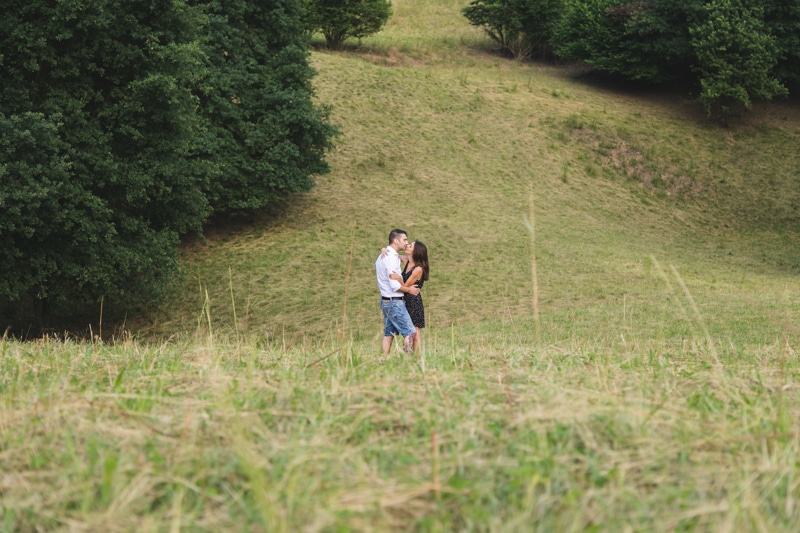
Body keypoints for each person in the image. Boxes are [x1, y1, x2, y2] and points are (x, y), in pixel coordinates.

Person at [375, 229, 420, 354]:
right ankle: (408, 362)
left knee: (388, 334)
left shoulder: (384, 256)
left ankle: (385, 360)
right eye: (404, 240)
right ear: (396, 240)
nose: (406, 242)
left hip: (386, 301)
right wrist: (409, 290)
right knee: (410, 333)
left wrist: (384, 249)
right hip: (394, 302)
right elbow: (394, 286)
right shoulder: (390, 258)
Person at [389, 240, 429, 353]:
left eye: (410, 246)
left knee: (415, 332)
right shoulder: (407, 261)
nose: (407, 245)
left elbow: (406, 285)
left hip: (414, 302)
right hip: (406, 301)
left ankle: (419, 356)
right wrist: (384, 250)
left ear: (415, 251)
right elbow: (395, 254)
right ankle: (409, 354)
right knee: (409, 331)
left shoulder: (418, 269)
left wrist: (397, 278)